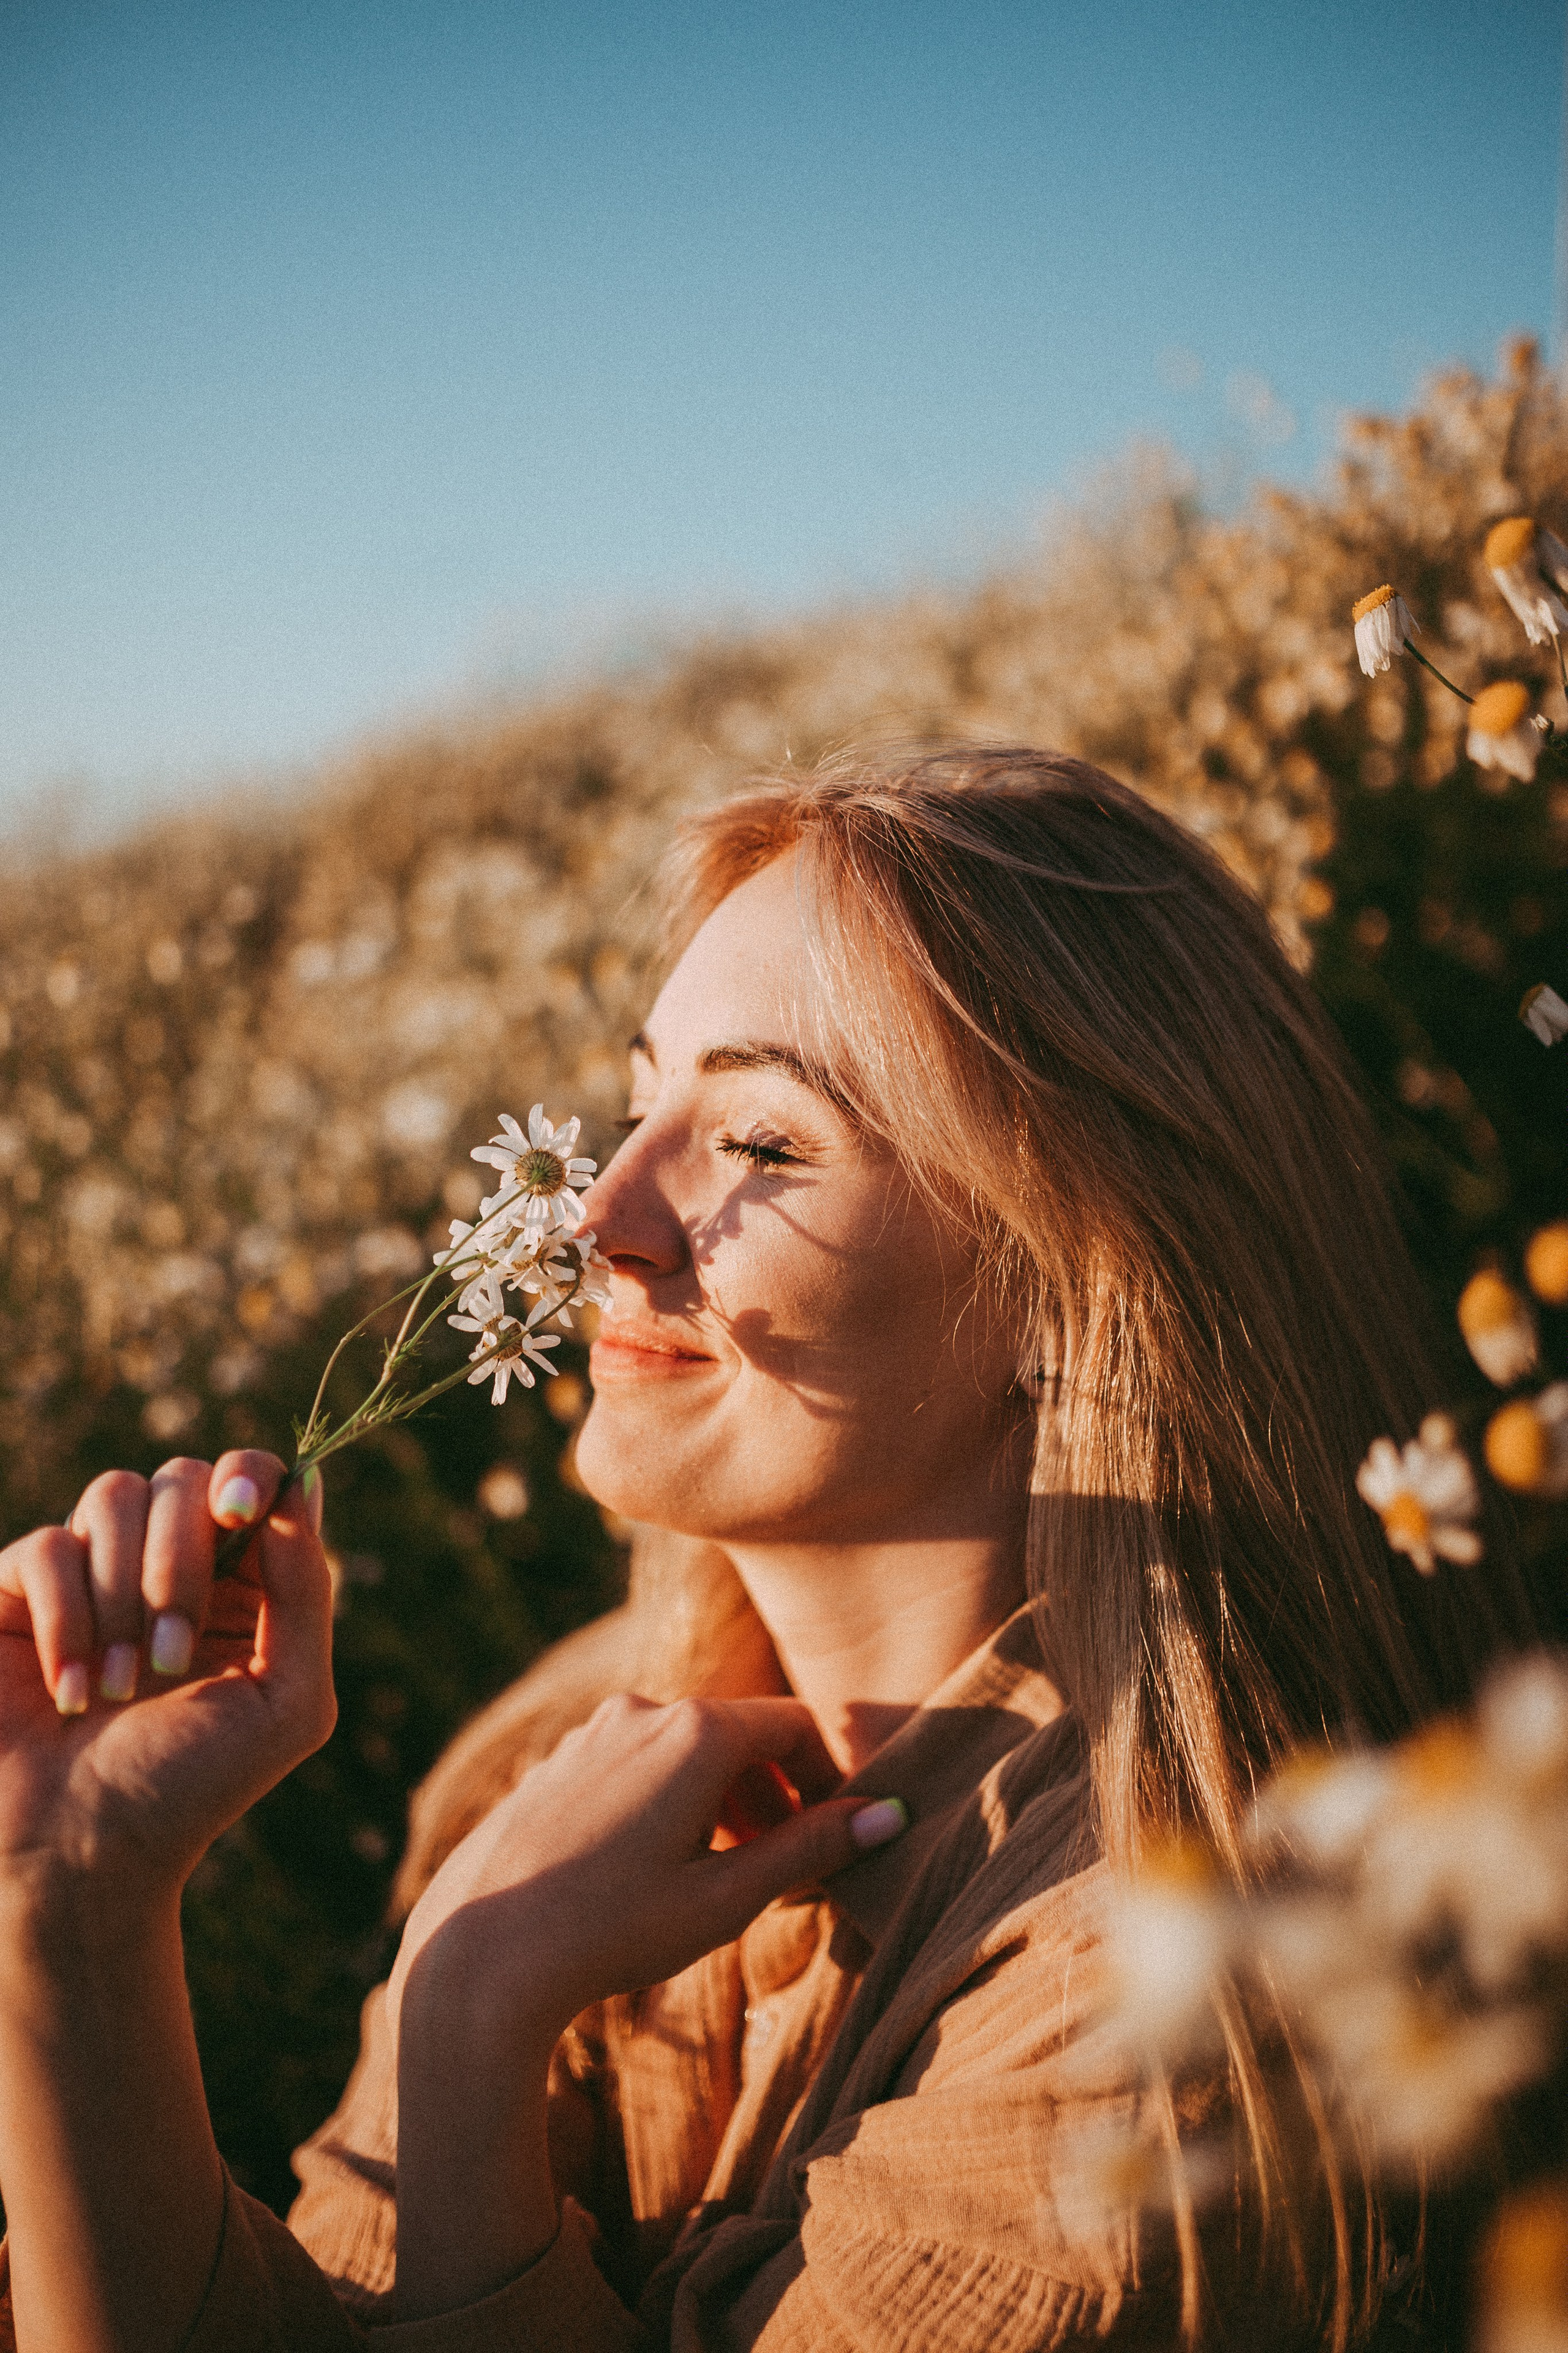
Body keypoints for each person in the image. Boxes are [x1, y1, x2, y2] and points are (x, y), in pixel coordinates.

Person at [0, 747, 1525, 2352]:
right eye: (639, 1103)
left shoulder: (1161, 2006)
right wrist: (71, 1903)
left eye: (765, 1144)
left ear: (1070, 1281)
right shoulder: (563, 1762)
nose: (596, 1219)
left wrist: (472, 2038)